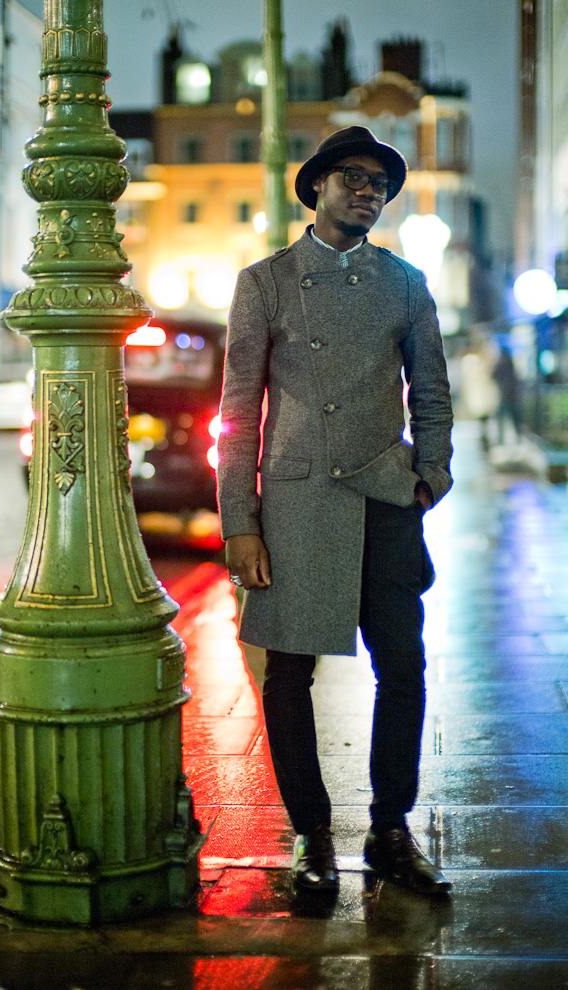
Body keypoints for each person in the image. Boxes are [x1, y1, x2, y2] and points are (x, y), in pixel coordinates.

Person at [216, 126, 454, 897]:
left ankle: (391, 831)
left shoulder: (405, 282)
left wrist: (433, 471)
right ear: (315, 186)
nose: (368, 191)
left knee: (405, 665)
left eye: (379, 183)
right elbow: (238, 409)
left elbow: (433, 388)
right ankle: (312, 838)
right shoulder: (267, 282)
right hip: (296, 499)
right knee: (288, 673)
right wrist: (240, 523)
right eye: (352, 177)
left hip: (386, 496)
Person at [492, 345, 523, 444]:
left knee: (502, 419)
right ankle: (517, 438)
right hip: (511, 396)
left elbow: (493, 376)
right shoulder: (510, 366)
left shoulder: (500, 365)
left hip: (506, 396)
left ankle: (501, 440)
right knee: (514, 419)